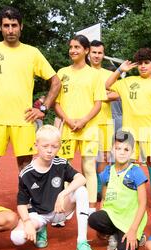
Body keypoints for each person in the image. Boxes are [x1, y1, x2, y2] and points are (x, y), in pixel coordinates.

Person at [0, 6, 61, 179]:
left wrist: (43, 109)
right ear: (0, 27)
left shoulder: (32, 52)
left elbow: (56, 82)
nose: (10, 30)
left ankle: (28, 205)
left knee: (25, 167)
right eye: (6, 26)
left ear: (21, 26)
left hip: (24, 119)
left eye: (14, 25)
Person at [10, 125, 95, 250]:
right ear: (36, 145)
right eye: (45, 146)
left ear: (59, 146)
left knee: (81, 190)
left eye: (54, 146)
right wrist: (27, 222)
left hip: (60, 210)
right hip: (39, 215)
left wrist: (63, 194)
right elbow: (21, 203)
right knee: (17, 238)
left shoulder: (61, 163)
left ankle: (82, 242)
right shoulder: (26, 173)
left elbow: (82, 178)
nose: (50, 151)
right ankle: (41, 229)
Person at [105, 47, 151, 214]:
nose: (143, 66)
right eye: (140, 63)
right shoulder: (127, 82)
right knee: (129, 164)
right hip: (130, 132)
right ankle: (129, 198)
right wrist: (120, 70)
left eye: (147, 63)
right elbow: (107, 85)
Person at [54, 34, 105, 218]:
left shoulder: (94, 75)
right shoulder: (61, 73)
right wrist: (68, 120)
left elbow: (98, 103)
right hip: (67, 128)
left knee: (89, 166)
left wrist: (83, 120)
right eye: (71, 47)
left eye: (77, 47)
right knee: (64, 167)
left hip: (89, 128)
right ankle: (66, 206)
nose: (73, 50)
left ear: (86, 51)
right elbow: (56, 102)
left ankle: (91, 207)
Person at [88, 130, 147, 250]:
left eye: (126, 149)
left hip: (130, 219)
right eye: (118, 148)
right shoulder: (107, 172)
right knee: (93, 219)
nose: (121, 152)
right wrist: (101, 227)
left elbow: (143, 204)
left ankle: (138, 235)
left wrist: (133, 230)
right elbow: (104, 198)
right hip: (113, 215)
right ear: (112, 150)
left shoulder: (136, 172)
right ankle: (114, 232)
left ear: (132, 152)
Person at [88, 40, 115, 201]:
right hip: (89, 121)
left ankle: (100, 189)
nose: (97, 55)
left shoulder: (108, 74)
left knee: (105, 157)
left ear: (103, 54)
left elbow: (117, 94)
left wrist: (98, 96)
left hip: (105, 121)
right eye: (94, 52)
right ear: (88, 53)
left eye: (100, 53)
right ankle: (92, 185)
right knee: (89, 157)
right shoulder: (83, 72)